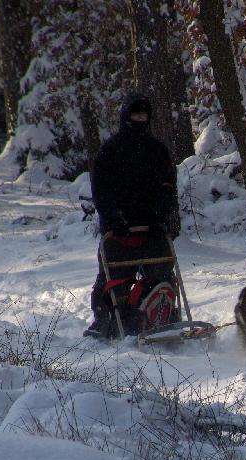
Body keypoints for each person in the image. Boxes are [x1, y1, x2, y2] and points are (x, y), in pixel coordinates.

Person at [84, 93, 181, 338]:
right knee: (112, 281)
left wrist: (160, 218)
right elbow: (101, 192)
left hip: (152, 229)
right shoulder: (110, 151)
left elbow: (168, 188)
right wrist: (115, 219)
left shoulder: (158, 151)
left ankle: (162, 315)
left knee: (161, 275)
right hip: (118, 231)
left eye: (143, 115)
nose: (139, 119)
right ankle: (110, 321)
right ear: (126, 116)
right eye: (135, 114)